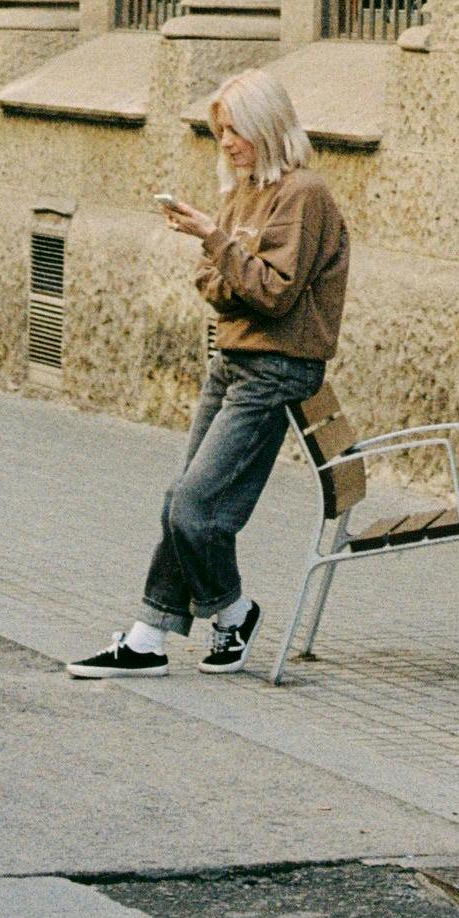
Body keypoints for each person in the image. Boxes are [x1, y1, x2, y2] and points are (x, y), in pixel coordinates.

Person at [70, 66, 349, 679]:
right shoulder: (240, 192)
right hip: (234, 360)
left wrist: (216, 241)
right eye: (220, 131)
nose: (226, 143)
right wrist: (220, 250)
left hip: (275, 370)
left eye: (236, 131)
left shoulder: (305, 196)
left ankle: (234, 610)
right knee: (182, 501)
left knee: (194, 507)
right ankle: (154, 635)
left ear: (268, 127)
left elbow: (273, 293)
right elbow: (216, 285)